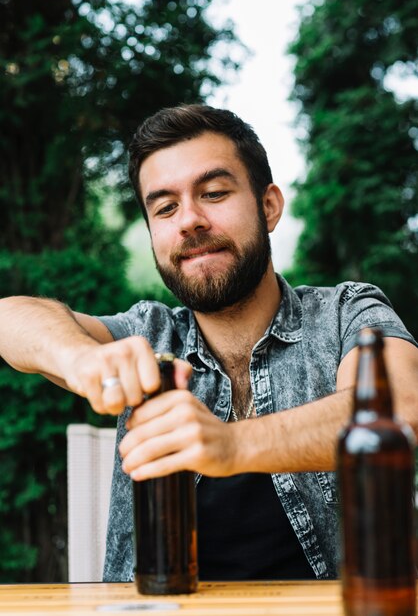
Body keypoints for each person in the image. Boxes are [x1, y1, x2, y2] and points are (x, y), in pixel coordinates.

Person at [0, 104, 417, 582]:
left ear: (269, 205)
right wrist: (80, 358)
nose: (189, 221)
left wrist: (230, 444)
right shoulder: (146, 336)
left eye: (214, 193)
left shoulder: (347, 313)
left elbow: (399, 407)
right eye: (165, 207)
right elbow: (9, 317)